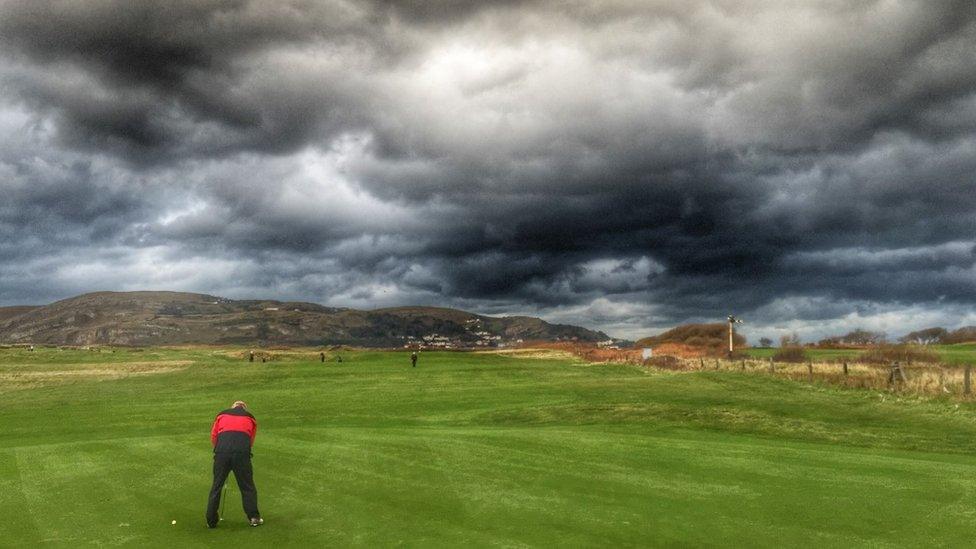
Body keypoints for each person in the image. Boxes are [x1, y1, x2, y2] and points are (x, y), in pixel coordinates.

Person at [206, 401, 262, 528]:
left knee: (216, 486)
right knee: (247, 486)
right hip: (241, 454)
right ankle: (254, 517)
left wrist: (222, 451)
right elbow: (250, 441)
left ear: (233, 407)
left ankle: (211, 521)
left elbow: (214, 437)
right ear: (244, 408)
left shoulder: (221, 415)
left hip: (222, 453)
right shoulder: (250, 417)